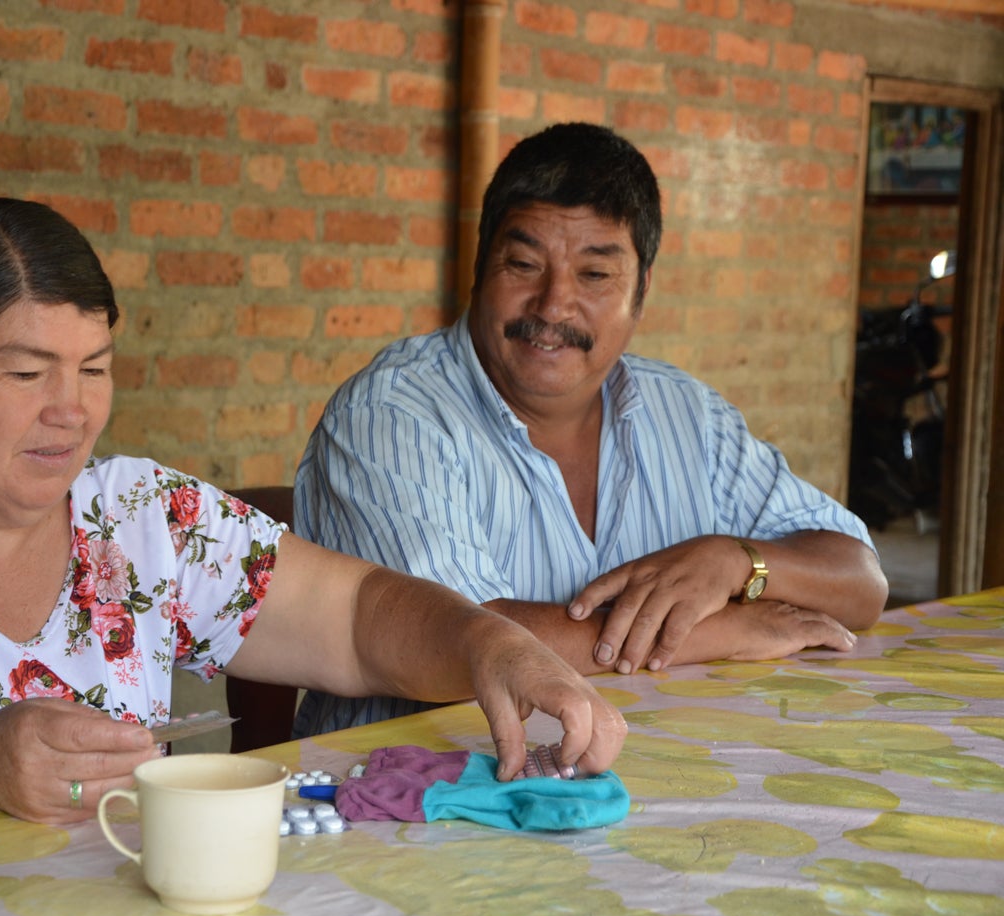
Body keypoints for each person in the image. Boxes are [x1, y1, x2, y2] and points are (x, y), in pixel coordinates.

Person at [0, 197, 626, 866]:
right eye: (26, 374)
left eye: (93, 368)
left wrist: (487, 644)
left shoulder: (139, 519)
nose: (72, 411)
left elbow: (353, 617)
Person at [292, 123, 888, 737]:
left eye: (595, 275)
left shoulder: (687, 415)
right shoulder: (390, 415)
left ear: (642, 291)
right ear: (479, 267)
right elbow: (450, 642)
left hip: (652, 784)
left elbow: (861, 583)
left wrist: (739, 563)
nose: (553, 307)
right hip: (412, 794)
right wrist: (720, 631)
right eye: (523, 264)